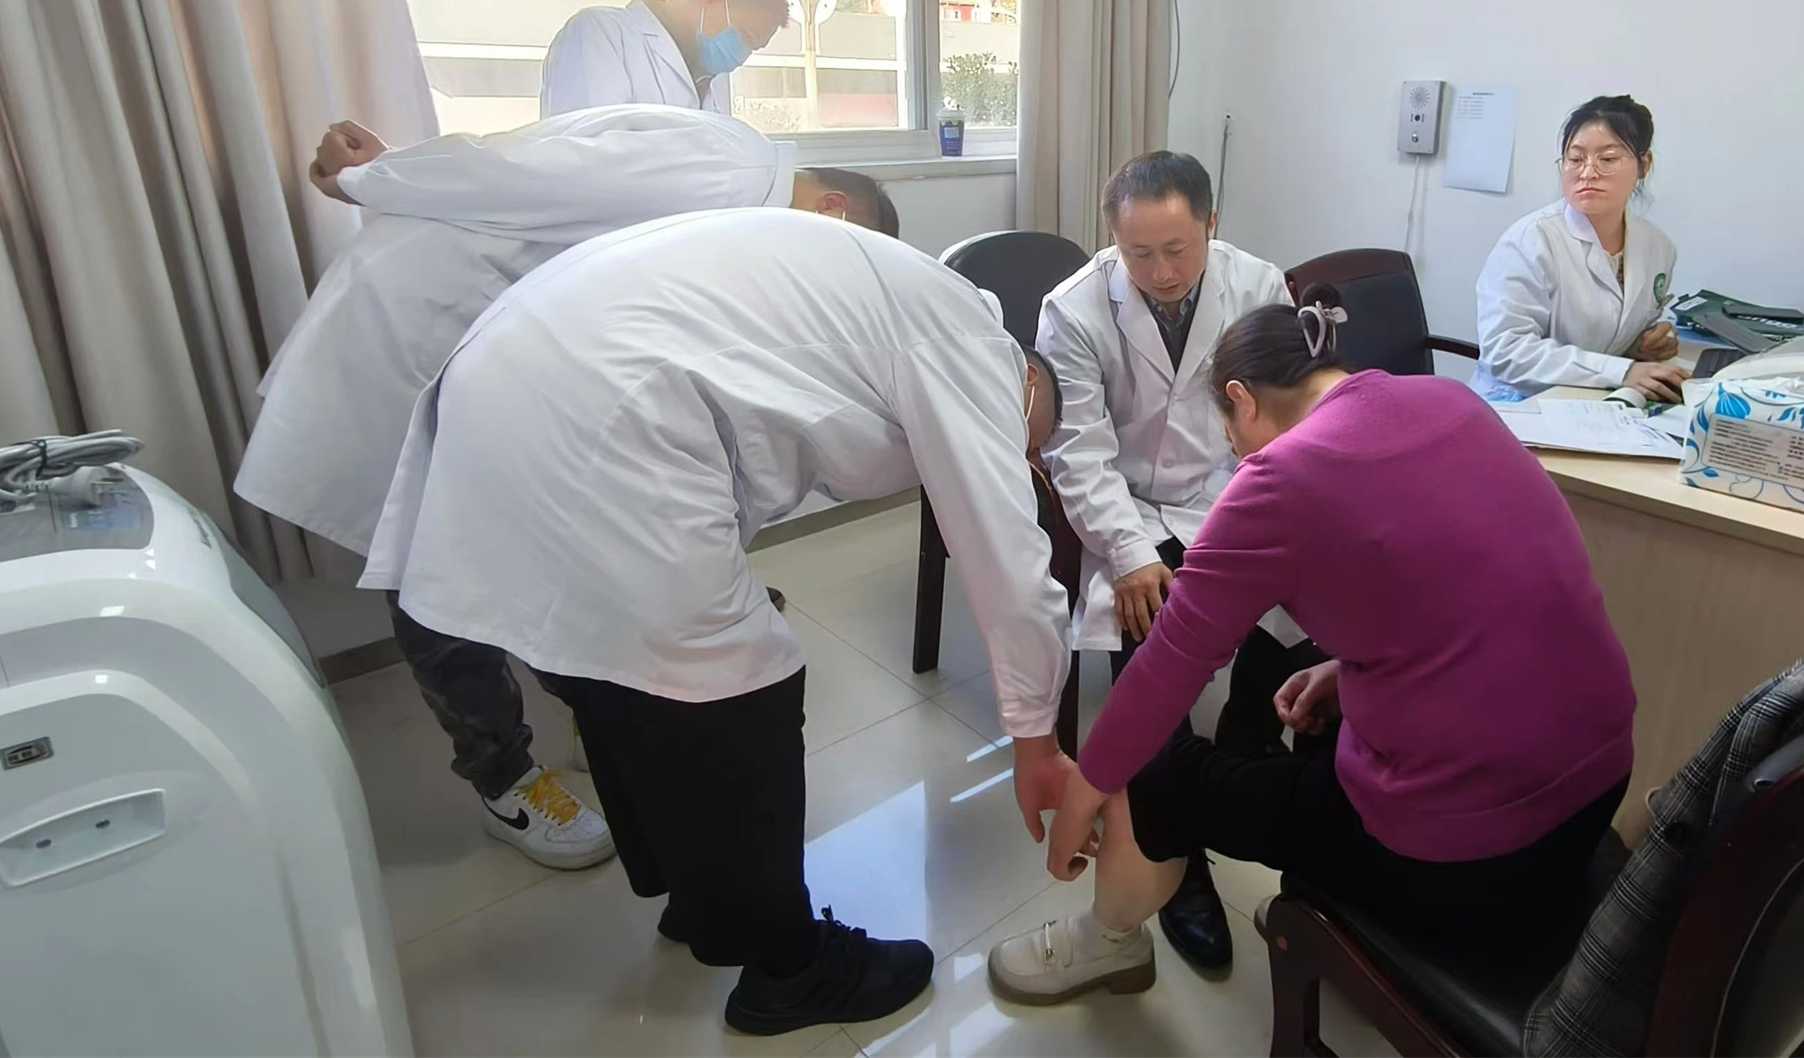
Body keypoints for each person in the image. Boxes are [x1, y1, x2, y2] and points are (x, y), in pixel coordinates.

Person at [357, 209, 1079, 1034]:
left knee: (616, 668)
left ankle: (694, 893)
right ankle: (789, 970)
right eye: (1030, 442)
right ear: (1028, 381)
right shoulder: (977, 355)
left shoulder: (912, 298)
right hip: (605, 404)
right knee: (741, 684)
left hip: (518, 365)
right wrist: (1037, 739)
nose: (1022, 458)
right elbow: (1007, 561)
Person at [235, 106, 894, 869]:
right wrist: (373, 177)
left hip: (496, 353)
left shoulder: (734, 194)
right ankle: (505, 781)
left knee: (542, 544)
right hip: (421, 340)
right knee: (429, 571)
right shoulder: (733, 170)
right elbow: (520, 175)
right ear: (832, 211)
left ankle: (596, 715)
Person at [987, 293, 1638, 1006]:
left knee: (1156, 770)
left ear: (1241, 400)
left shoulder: (1276, 480)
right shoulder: (1451, 402)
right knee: (1316, 723)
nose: (1235, 454)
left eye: (1227, 433)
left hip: (1469, 856)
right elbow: (1476, 587)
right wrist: (1345, 669)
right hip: (1596, 787)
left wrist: (1082, 796)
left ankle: (1108, 944)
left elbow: (1165, 671)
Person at [1035, 149, 1302, 971]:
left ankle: (1243, 758)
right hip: (1132, 506)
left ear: (1211, 225)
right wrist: (1127, 553)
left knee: (1298, 625)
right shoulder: (1073, 309)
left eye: (1176, 250)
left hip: (1235, 490)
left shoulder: (1258, 285)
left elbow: (1280, 421)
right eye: (1136, 253)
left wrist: (1252, 514)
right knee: (1147, 637)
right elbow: (1077, 449)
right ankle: (1174, 850)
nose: (1157, 272)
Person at [1470, 95, 1687, 402]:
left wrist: (1642, 345)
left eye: (1607, 159)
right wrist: (1621, 370)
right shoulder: (1531, 241)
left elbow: (1611, 333)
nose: (1587, 173)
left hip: (1593, 400)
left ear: (1644, 165)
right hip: (1518, 403)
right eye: (1575, 159)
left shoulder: (1657, 247)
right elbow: (1505, 352)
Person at [540, 0, 789, 116]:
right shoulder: (601, 34)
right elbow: (589, 154)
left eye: (753, 48)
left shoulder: (700, 80)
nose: (741, 56)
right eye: (747, 35)